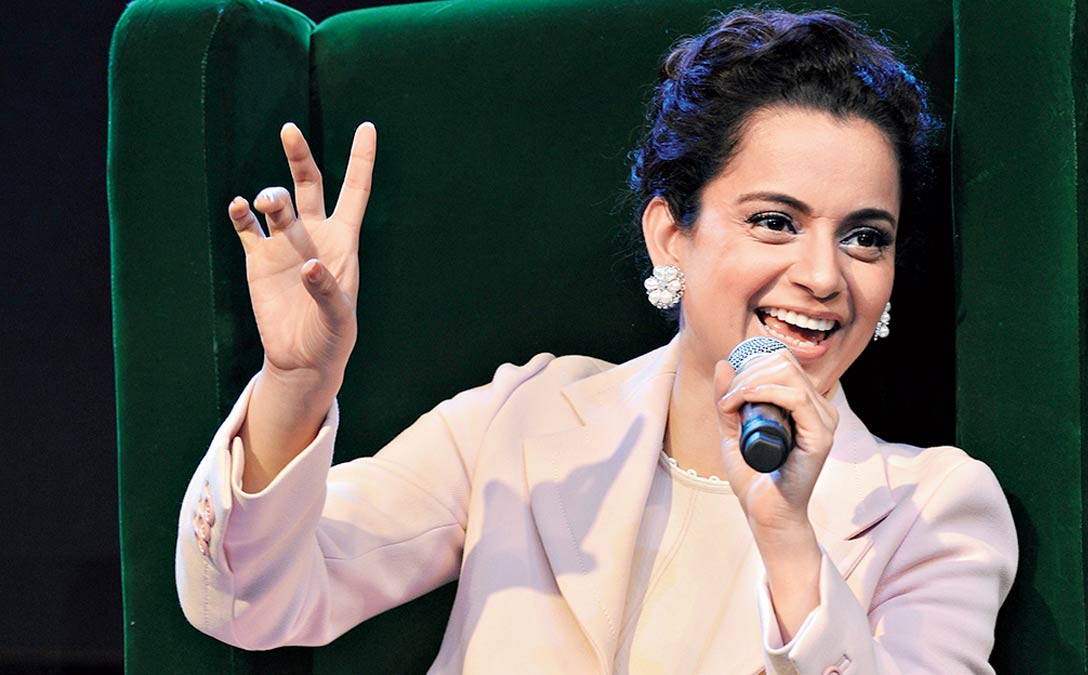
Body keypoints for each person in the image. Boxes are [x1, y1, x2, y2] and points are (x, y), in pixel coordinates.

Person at [176, 8, 1017, 674]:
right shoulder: (524, 417)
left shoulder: (936, 512)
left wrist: (789, 536)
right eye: (774, 221)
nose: (825, 276)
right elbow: (249, 599)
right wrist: (296, 382)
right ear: (670, 236)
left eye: (865, 237)